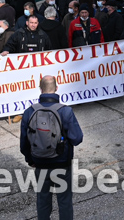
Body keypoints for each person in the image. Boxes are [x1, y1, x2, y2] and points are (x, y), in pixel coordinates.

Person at [20, 75, 84, 220]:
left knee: (43, 201)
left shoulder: (29, 112)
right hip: (62, 164)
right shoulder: (65, 111)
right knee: (65, 201)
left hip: (40, 163)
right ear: (56, 88)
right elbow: (77, 139)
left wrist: (31, 160)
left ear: (40, 89)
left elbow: (24, 143)